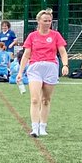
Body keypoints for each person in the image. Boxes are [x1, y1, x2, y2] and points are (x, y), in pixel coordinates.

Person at [16, 9, 69, 137]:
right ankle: (34, 128)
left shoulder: (56, 35)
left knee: (46, 99)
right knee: (35, 99)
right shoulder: (32, 36)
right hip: (35, 68)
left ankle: (43, 126)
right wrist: (20, 72)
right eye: (45, 20)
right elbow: (26, 55)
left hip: (51, 68)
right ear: (39, 21)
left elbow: (62, 52)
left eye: (49, 21)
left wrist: (65, 65)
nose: (47, 23)